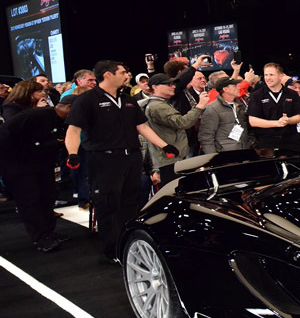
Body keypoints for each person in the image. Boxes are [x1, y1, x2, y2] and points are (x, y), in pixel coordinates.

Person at [65, 60, 179, 261]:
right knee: (108, 205)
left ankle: (129, 245)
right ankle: (113, 250)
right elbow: (74, 129)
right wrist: (73, 153)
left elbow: (142, 127)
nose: (127, 75)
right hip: (104, 160)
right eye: (123, 72)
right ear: (108, 75)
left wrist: (164, 145)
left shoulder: (128, 99)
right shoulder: (87, 100)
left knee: (130, 203)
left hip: (132, 158)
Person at [1, 81, 65, 252]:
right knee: (30, 200)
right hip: (19, 164)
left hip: (39, 161)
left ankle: (48, 232)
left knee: (47, 195)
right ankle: (40, 237)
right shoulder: (12, 110)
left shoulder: (34, 111)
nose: (44, 94)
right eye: (40, 91)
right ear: (29, 93)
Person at [144, 73, 208, 186]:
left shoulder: (160, 104)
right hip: (167, 159)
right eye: (169, 84)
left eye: (173, 84)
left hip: (169, 157)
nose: (173, 86)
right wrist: (200, 106)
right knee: (172, 192)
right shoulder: (158, 106)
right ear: (155, 87)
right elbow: (182, 123)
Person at [246, 63, 300, 154]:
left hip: (290, 142)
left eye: (271, 75)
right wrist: (277, 123)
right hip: (266, 144)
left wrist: (288, 120)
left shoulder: (292, 94)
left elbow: (298, 117)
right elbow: (253, 121)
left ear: (281, 76)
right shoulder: (256, 95)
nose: (268, 78)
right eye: (266, 75)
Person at [200, 77, 251, 154]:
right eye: (234, 86)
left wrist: (251, 143)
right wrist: (212, 158)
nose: (238, 87)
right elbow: (206, 137)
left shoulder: (240, 105)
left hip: (245, 150)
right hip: (224, 154)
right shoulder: (212, 109)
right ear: (225, 89)